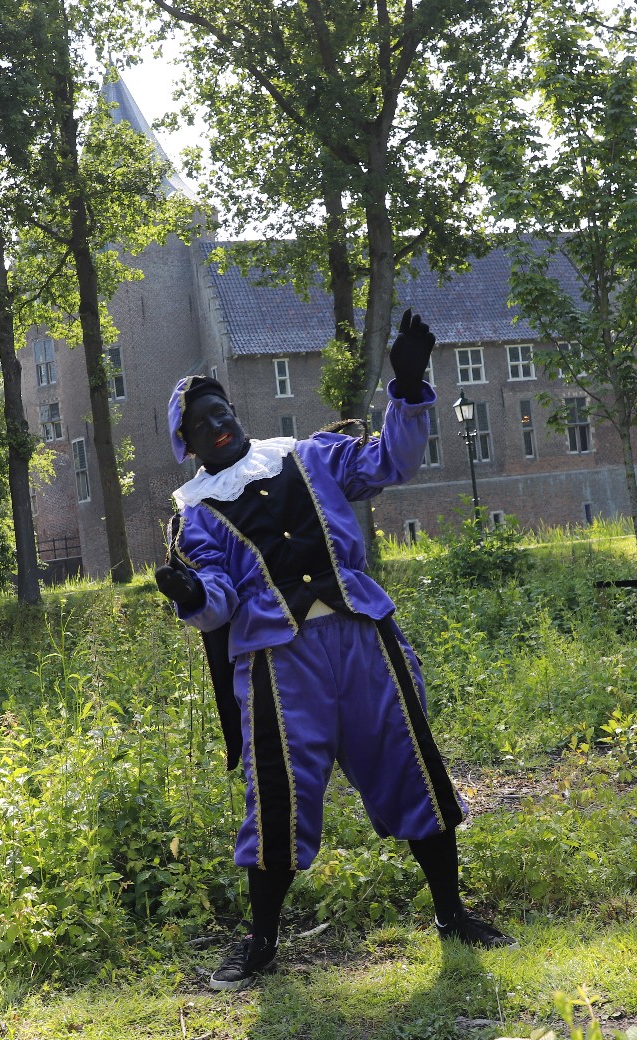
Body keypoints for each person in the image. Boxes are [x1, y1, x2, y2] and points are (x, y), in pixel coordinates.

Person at [155, 310, 515, 992]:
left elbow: (390, 461)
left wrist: (407, 387)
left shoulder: (308, 454)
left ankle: (452, 915)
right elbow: (218, 603)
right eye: (201, 424)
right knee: (279, 797)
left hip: (363, 642)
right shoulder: (196, 513)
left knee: (412, 767)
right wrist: (190, 592)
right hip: (280, 665)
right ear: (188, 444)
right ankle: (261, 944)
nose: (217, 425)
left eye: (220, 411)